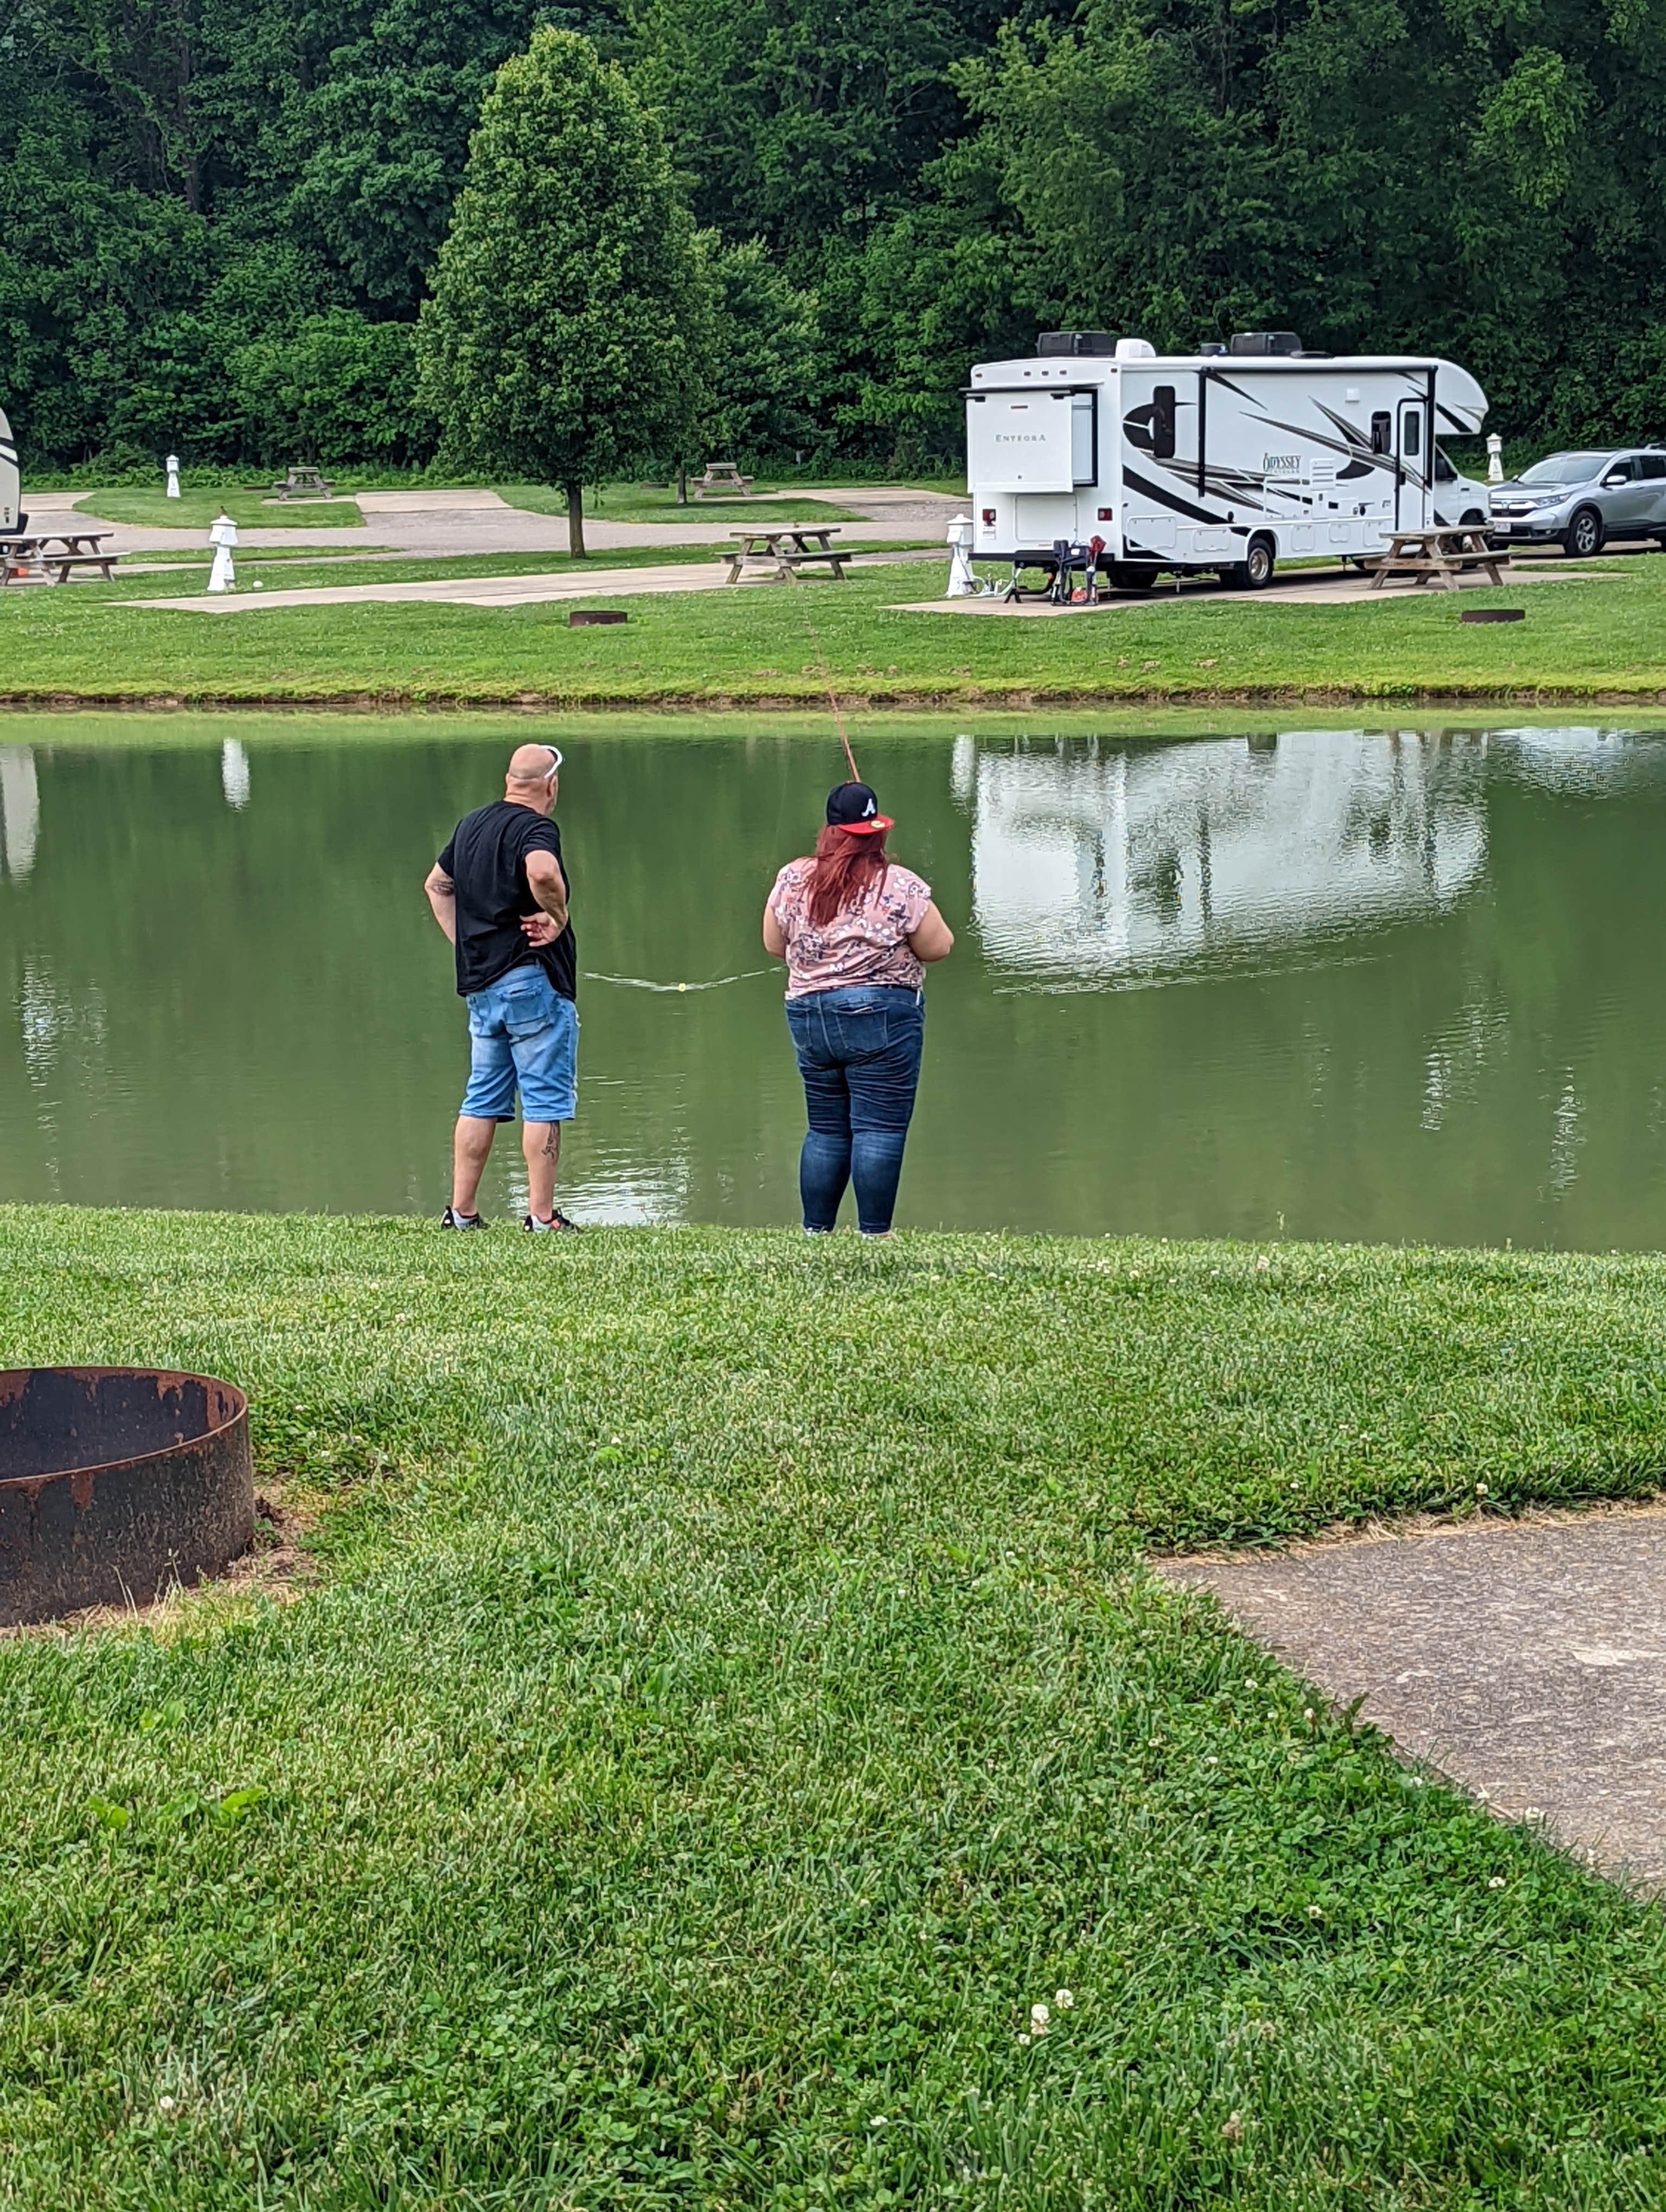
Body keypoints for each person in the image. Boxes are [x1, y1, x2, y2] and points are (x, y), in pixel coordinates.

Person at [763, 780, 954, 1237]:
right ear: (876, 832)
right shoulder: (900, 884)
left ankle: (816, 1233)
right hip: (882, 1016)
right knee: (880, 1129)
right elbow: (940, 947)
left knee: (826, 1130)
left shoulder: (792, 877)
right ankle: (874, 1234)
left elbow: (773, 944)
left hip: (810, 1017)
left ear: (829, 831)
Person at [424, 743, 581, 1231]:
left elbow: (436, 885)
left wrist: (465, 944)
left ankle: (462, 1212)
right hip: (531, 983)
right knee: (543, 1098)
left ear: (509, 780)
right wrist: (558, 917)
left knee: (482, 1097)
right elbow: (541, 870)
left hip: (482, 986)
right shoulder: (537, 828)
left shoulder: (471, 825)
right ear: (550, 786)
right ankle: (541, 1216)